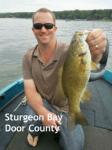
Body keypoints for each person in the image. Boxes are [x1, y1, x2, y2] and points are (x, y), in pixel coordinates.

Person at [22, 8, 108, 149]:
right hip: (43, 103)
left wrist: (99, 47)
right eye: (38, 26)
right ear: (33, 30)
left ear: (55, 28)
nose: (43, 29)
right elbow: (30, 90)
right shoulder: (27, 57)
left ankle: (60, 125)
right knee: (28, 121)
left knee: (75, 147)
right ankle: (38, 128)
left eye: (48, 25)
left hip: (65, 108)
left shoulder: (70, 50)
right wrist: (44, 113)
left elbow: (94, 58)